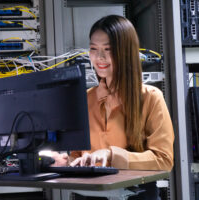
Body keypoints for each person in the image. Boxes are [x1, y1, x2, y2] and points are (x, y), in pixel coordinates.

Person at [52, 15, 174, 200]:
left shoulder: (151, 97)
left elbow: (164, 160)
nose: (99, 57)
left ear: (125, 52)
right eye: (94, 49)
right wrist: (66, 162)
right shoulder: (85, 99)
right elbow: (78, 155)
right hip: (89, 195)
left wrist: (110, 155)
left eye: (108, 49)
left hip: (136, 195)